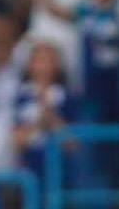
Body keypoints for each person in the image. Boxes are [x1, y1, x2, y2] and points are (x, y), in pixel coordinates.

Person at [12, 41, 76, 185]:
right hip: (29, 170)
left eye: (49, 61)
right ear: (30, 65)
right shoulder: (20, 96)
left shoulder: (66, 97)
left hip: (60, 170)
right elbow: (15, 142)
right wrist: (38, 123)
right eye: (39, 61)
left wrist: (50, 116)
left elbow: (72, 144)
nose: (44, 68)